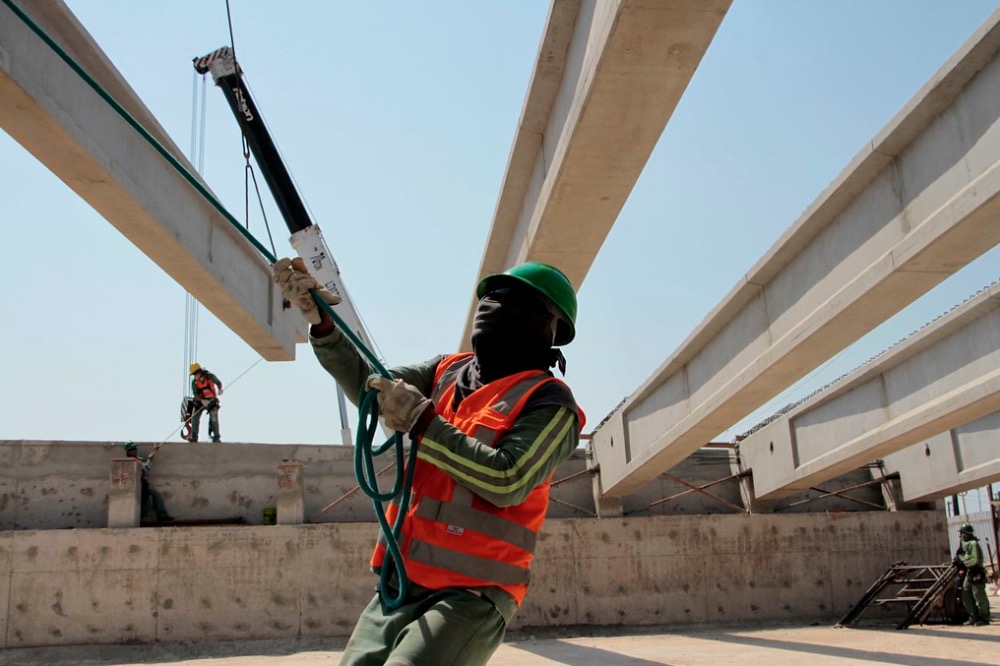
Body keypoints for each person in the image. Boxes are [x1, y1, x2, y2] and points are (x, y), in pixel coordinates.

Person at [272, 257, 585, 666]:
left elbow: (507, 479)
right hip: (401, 579)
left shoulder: (549, 403)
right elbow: (372, 384)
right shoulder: (446, 370)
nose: (492, 305)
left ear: (549, 327)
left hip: (471, 594)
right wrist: (323, 325)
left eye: (509, 299)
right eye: (490, 296)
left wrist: (424, 423)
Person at [123, 441, 173, 523]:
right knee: (148, 502)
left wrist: (153, 452)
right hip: (138, 488)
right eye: (132, 449)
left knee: (156, 496)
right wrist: (154, 452)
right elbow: (146, 467)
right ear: (128, 451)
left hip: (144, 486)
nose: (134, 450)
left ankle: (162, 516)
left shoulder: (138, 459)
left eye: (135, 448)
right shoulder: (131, 461)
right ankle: (138, 520)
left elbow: (145, 463)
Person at [954, 523, 991, 625]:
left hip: (976, 571)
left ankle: (983, 618)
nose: (960, 536)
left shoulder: (973, 543)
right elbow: (961, 555)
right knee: (965, 592)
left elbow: (974, 560)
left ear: (966, 534)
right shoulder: (963, 543)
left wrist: (963, 561)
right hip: (969, 572)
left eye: (962, 533)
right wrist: (960, 558)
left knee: (979, 595)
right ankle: (973, 616)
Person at [187, 362, 223, 443]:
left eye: (195, 374)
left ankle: (216, 437)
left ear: (200, 372)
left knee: (214, 419)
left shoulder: (210, 377)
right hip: (200, 402)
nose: (195, 376)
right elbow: (196, 394)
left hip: (212, 401)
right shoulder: (194, 382)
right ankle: (194, 437)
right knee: (195, 418)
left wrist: (220, 389)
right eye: (194, 374)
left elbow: (218, 383)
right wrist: (202, 401)